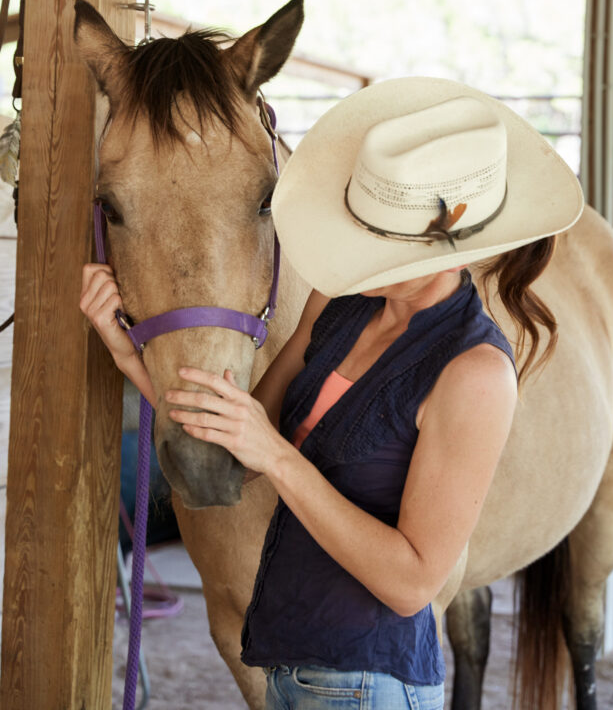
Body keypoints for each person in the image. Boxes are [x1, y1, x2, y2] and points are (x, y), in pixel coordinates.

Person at [81, 78, 583, 710]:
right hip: (288, 669)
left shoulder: (474, 372)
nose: (367, 251)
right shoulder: (340, 305)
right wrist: (125, 350)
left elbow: (411, 584)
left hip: (369, 686)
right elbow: (241, 432)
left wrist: (280, 458)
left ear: (458, 246)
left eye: (390, 238)